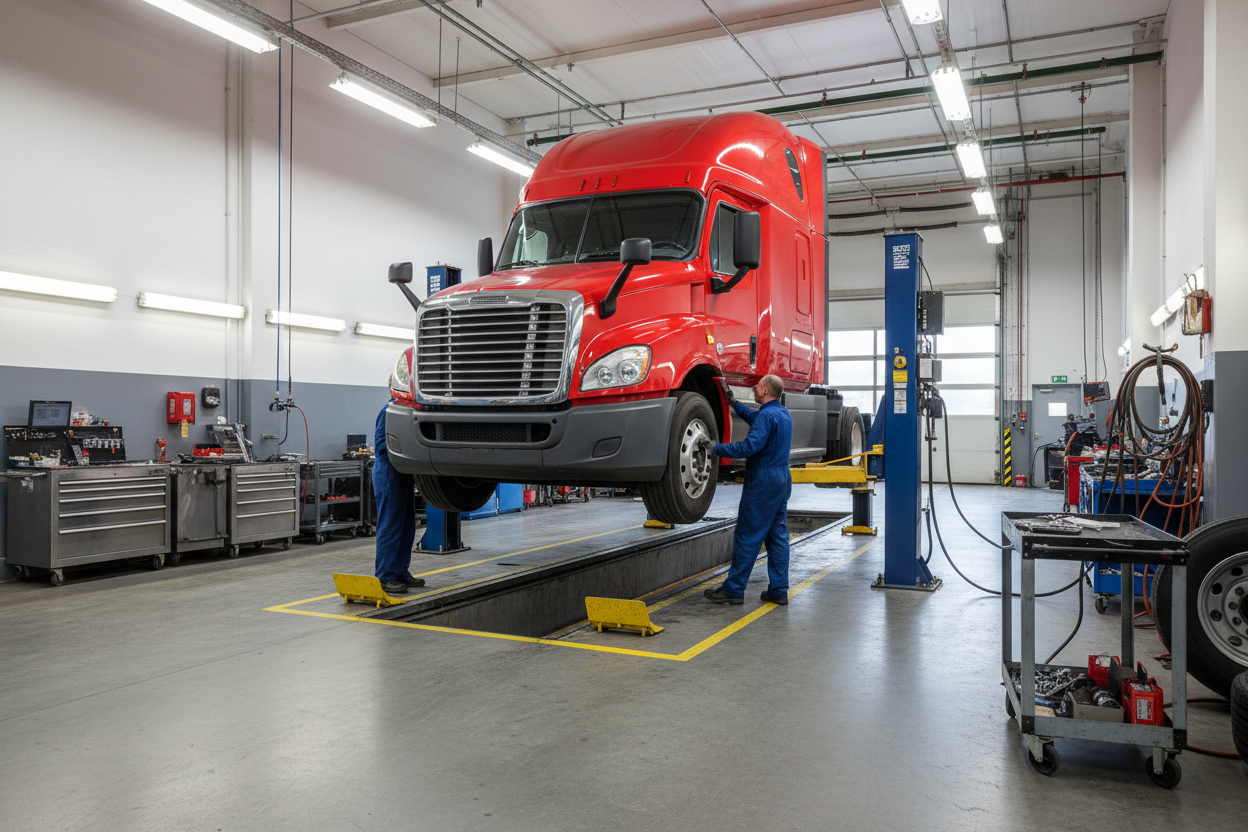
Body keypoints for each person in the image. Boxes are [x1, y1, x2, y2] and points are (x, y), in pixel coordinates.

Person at [702, 374, 793, 606]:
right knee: (777, 536)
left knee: (748, 535)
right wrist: (734, 403)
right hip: (782, 479)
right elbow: (755, 416)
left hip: (763, 480)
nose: (754, 387)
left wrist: (716, 448)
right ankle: (779, 590)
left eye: (758, 385)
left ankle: (733, 590)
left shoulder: (767, 416)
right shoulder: (782, 413)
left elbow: (750, 446)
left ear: (765, 391)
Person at [373, 386, 426, 595]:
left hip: (403, 474)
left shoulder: (405, 410)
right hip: (389, 474)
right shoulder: (390, 410)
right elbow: (384, 445)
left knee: (406, 525)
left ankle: (400, 570)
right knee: (390, 525)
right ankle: (385, 576)